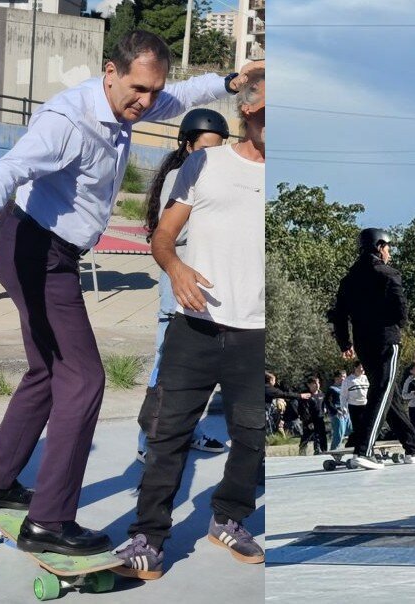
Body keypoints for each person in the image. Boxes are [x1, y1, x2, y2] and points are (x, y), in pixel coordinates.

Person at [0, 30, 259, 556]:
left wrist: (229, 81)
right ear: (110, 72)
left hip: (46, 248)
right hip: (37, 250)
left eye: (153, 92)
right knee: (85, 379)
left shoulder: (133, 103)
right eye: (138, 88)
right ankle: (48, 521)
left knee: (47, 370)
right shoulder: (68, 120)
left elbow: (180, 95)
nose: (146, 102)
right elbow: (6, 169)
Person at [114, 65, 265, 577]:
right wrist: (175, 267)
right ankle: (148, 537)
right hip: (195, 325)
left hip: (257, 334)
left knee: (251, 435)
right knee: (168, 436)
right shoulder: (204, 166)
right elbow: (161, 236)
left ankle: (228, 519)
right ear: (248, 111)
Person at [134, 108, 232, 464]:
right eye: (206, 147)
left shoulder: (214, 175)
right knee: (167, 359)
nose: (213, 155)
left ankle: (188, 430)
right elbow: (174, 234)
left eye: (220, 148)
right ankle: (149, 437)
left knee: (200, 364)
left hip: (205, 283)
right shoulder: (181, 176)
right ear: (188, 146)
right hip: (179, 280)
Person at [329, 228, 415, 470]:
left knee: (389, 393)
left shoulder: (349, 278)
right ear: (379, 247)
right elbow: (400, 309)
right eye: (388, 248)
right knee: (382, 391)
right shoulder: (388, 274)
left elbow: (338, 315)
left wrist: (345, 343)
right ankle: (364, 450)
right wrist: (397, 327)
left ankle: (414, 446)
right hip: (386, 340)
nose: (390, 253)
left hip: (362, 342)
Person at [265, 371, 312, 438]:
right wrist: (300, 395)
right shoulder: (268, 388)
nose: (275, 382)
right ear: (271, 380)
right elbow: (284, 394)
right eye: (274, 380)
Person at [297, 376, 328, 455]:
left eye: (318, 383)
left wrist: (325, 409)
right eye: (314, 383)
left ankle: (321, 450)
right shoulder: (306, 395)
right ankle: (302, 451)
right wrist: (308, 421)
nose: (317, 385)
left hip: (320, 418)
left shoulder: (321, 394)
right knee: (307, 436)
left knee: (321, 436)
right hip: (309, 420)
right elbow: (303, 410)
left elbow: (324, 404)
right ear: (309, 385)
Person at [341, 362, 370, 446]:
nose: (362, 369)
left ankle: (365, 444)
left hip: (365, 405)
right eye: (360, 367)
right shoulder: (348, 380)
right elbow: (343, 395)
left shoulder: (366, 378)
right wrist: (344, 407)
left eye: (363, 367)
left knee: (366, 426)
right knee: (357, 427)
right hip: (354, 406)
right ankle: (354, 443)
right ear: (355, 368)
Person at [327, 370, 351, 450]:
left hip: (347, 413)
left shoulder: (346, 388)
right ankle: (334, 451)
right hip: (338, 414)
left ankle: (352, 448)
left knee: (353, 431)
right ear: (336, 378)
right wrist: (336, 411)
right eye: (342, 377)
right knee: (339, 434)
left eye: (345, 377)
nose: (344, 379)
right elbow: (328, 402)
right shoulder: (332, 389)